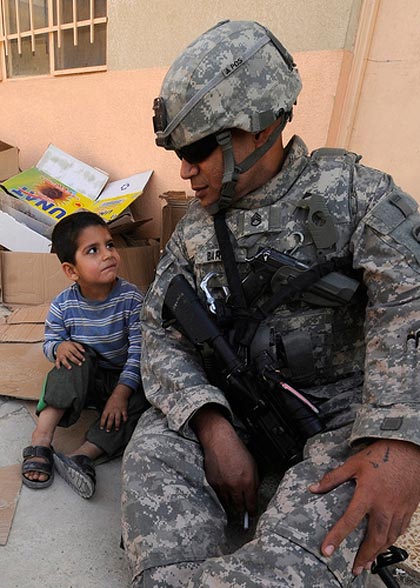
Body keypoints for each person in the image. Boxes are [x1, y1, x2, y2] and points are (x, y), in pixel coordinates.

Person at [121, 20, 420, 588]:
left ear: (260, 126)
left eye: (198, 149)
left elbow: (411, 303)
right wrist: (211, 424)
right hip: (234, 405)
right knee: (153, 453)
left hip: (338, 424)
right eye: (178, 152)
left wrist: (400, 442)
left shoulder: (356, 196)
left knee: (296, 564)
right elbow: (159, 334)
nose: (185, 170)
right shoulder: (194, 232)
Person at [22, 211, 147, 499]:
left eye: (110, 244)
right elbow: (50, 342)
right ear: (71, 271)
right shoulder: (63, 305)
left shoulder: (131, 299)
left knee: (149, 398)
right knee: (72, 357)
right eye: (93, 250)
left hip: (122, 381)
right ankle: (41, 439)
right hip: (84, 380)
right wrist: (58, 347)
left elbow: (138, 353)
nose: (107, 254)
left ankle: (83, 456)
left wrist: (121, 394)